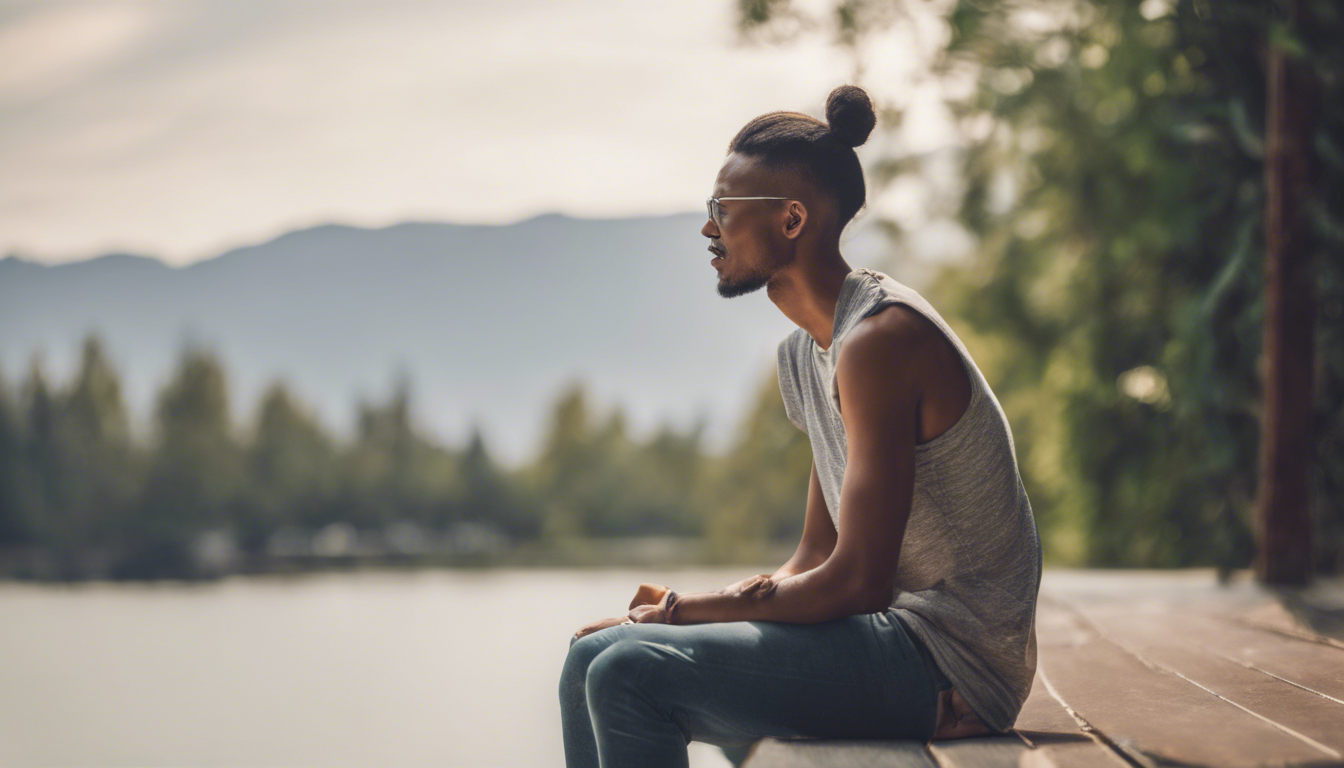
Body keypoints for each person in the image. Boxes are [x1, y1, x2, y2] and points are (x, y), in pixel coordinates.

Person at [559, 84, 1042, 768]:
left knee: (628, 673)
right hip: (889, 638)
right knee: (591, 657)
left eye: (722, 210)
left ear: (791, 219)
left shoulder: (880, 341)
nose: (707, 229)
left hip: (951, 664)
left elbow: (858, 583)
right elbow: (816, 554)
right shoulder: (810, 354)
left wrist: (679, 613)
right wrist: (675, 618)